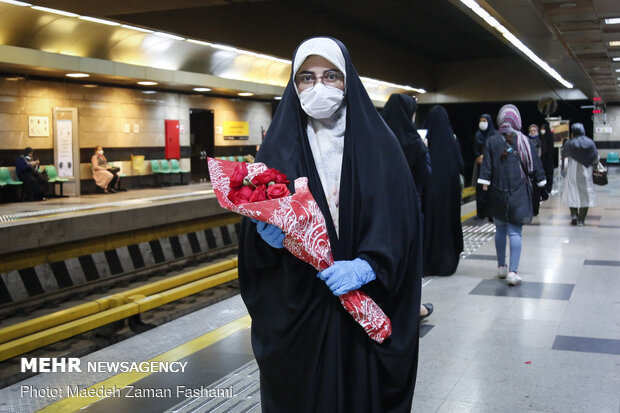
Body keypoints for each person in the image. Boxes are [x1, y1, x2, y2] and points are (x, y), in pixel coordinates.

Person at [238, 37, 422, 412]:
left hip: (364, 302)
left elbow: (401, 221)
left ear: (348, 81)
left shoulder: (381, 146)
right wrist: (265, 240)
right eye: (306, 78)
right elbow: (249, 242)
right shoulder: (276, 150)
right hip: (303, 308)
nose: (318, 87)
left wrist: (370, 264)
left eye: (331, 76)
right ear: (294, 86)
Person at [478, 105, 547, 285]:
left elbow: (486, 170)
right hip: (519, 193)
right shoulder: (525, 140)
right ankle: (513, 272)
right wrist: (542, 183)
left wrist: (484, 188)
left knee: (500, 230)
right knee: (515, 232)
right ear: (517, 120)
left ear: (501, 120)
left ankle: (501, 267)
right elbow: (536, 167)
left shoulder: (492, 141)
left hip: (497, 193)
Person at [381, 93, 433, 322]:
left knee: (384, 259)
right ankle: (413, 307)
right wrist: (425, 150)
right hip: (410, 209)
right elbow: (426, 175)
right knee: (410, 259)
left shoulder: (377, 137)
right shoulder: (415, 143)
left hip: (380, 211)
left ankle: (384, 305)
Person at [422, 105, 464, 277]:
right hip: (449, 195)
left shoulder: (424, 140)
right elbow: (460, 165)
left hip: (429, 195)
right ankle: (446, 262)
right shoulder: (452, 141)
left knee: (429, 226)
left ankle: (428, 263)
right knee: (447, 225)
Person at [560, 123, 598, 226]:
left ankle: (574, 216)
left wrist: (563, 171)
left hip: (572, 172)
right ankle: (581, 219)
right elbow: (595, 159)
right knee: (585, 196)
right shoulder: (590, 143)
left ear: (573, 132)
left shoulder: (568, 143)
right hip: (586, 173)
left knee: (572, 194)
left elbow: (564, 158)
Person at [472, 114, 496, 219]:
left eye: (485, 120)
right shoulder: (477, 135)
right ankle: (480, 213)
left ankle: (490, 212)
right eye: (481, 120)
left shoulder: (494, 135)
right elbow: (474, 148)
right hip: (479, 165)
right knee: (479, 190)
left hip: (490, 166)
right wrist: (478, 156)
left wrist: (486, 156)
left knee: (490, 190)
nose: (482, 122)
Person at [528, 124, 543, 216]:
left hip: (536, 167)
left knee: (536, 190)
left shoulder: (539, 141)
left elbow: (540, 154)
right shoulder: (526, 140)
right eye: (531, 130)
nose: (532, 132)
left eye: (534, 130)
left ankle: (535, 209)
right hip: (528, 167)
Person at [539, 122, 555, 193]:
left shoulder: (550, 137)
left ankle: (549, 188)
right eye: (541, 129)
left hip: (549, 159)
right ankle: (544, 188)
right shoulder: (540, 137)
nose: (542, 130)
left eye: (543, 129)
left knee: (549, 174)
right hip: (542, 159)